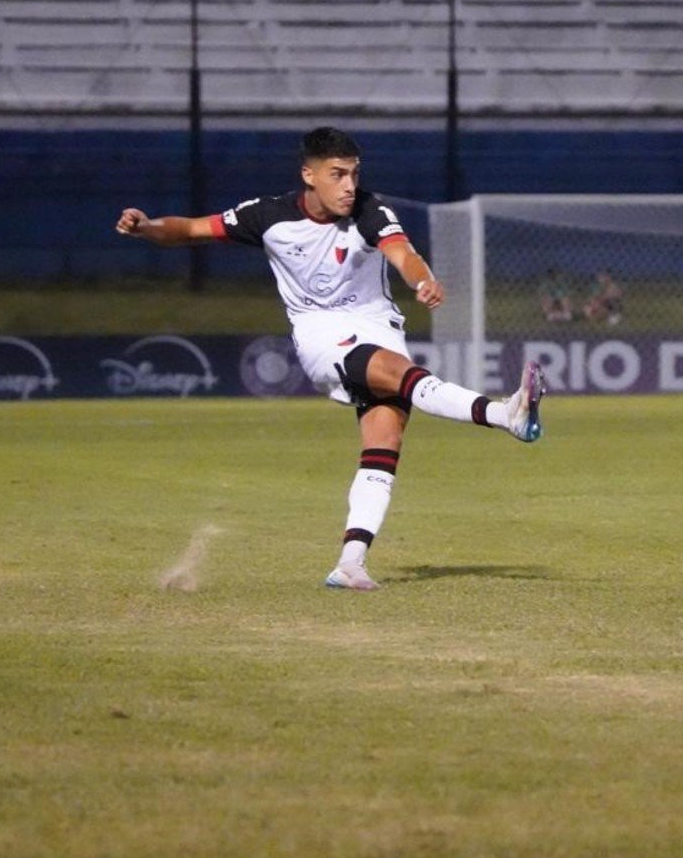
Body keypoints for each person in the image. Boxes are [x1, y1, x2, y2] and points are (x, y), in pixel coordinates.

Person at [115, 127, 546, 590]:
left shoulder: (370, 210)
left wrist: (421, 280)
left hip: (379, 326)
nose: (348, 186)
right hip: (323, 337)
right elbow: (193, 229)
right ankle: (506, 414)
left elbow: (401, 253)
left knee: (383, 446)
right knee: (402, 376)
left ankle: (351, 562)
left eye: (354, 174)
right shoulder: (268, 216)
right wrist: (147, 227)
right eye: (337, 174)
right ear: (309, 175)